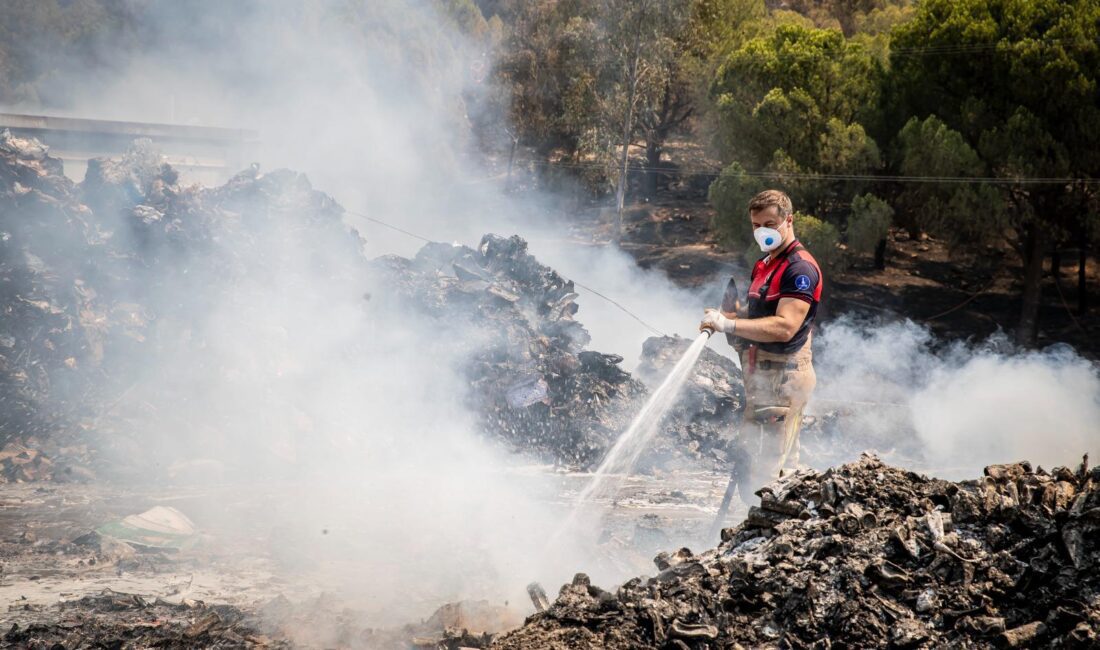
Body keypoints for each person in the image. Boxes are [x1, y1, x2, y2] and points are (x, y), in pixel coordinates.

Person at [700, 189, 822, 491]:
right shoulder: (766, 264)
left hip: (783, 379)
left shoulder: (800, 269)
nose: (762, 232)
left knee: (770, 472)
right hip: (763, 379)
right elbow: (759, 318)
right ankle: (759, 529)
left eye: (769, 223)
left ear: (788, 220)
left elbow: (784, 327)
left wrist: (729, 324)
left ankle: (774, 532)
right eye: (756, 225)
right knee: (757, 464)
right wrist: (733, 314)